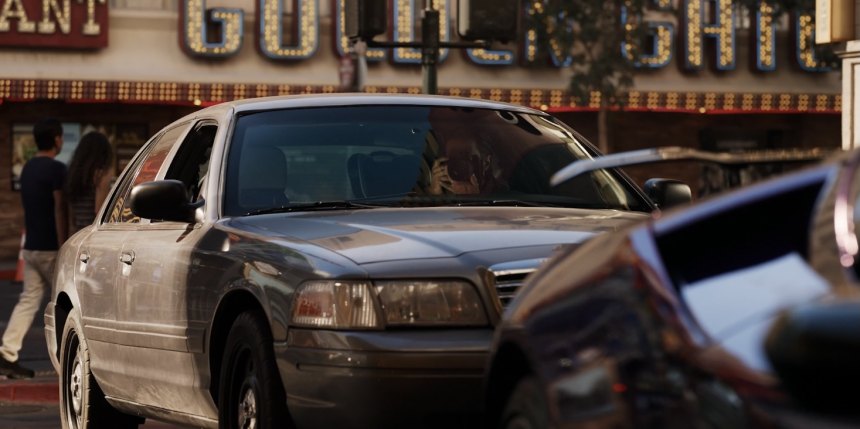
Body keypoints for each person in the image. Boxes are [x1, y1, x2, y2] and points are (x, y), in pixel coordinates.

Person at [0, 118, 67, 379]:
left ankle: (7, 353)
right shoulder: (57, 169)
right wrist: (64, 244)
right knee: (68, 302)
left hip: (31, 247)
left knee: (28, 301)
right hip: (51, 248)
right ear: (57, 139)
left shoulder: (27, 168)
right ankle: (71, 357)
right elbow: (59, 206)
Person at [66, 131, 114, 235]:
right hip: (92, 235)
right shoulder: (101, 174)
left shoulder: (73, 175)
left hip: (77, 234)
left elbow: (72, 216)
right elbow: (99, 211)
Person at [429, 136, 500, 195]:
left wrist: (474, 199)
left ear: (486, 162)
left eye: (466, 156)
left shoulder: (504, 195)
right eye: (453, 158)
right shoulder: (443, 189)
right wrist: (435, 195)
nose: (460, 165)